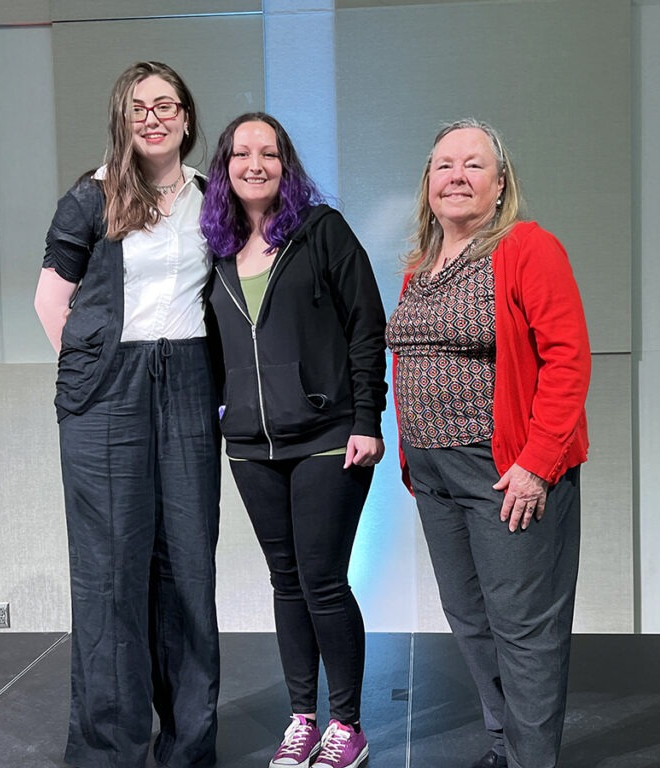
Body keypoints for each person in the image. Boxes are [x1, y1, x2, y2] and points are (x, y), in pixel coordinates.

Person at [385, 119, 591, 768]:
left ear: (500, 186)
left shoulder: (528, 249)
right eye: (444, 165)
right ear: (428, 184)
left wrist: (537, 464)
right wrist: (413, 461)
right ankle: (505, 746)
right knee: (470, 621)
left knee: (523, 631)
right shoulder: (419, 267)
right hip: (435, 475)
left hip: (505, 471)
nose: (457, 176)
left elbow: (568, 358)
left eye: (474, 165)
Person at [34, 61, 221, 768]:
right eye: (139, 106)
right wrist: (92, 370)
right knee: (111, 575)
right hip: (108, 391)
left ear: (184, 116)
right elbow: (50, 301)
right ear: (123, 117)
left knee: (186, 569)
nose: (153, 116)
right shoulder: (94, 196)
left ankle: (188, 748)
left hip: (189, 386)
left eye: (165, 104)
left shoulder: (211, 199)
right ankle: (108, 750)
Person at [200, 112, 386, 768]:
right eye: (242, 153)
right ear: (223, 167)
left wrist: (368, 418)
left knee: (323, 579)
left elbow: (366, 323)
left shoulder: (321, 232)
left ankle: (350, 725)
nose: (256, 164)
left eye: (269, 153)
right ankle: (303, 718)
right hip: (251, 445)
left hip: (329, 437)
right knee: (287, 582)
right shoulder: (214, 250)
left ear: (286, 164)